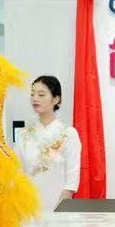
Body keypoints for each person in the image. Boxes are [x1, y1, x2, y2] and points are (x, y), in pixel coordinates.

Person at [17, 74, 81, 211]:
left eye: (41, 94)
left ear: (56, 99)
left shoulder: (68, 134)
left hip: (58, 204)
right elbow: (17, 171)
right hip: (28, 206)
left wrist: (62, 204)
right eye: (32, 94)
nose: (35, 98)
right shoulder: (23, 134)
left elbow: (73, 174)